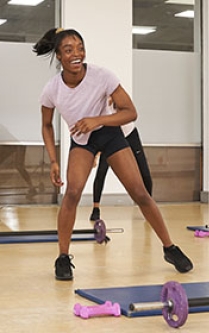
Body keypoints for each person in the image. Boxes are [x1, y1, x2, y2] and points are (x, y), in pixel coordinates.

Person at [33, 27, 193, 280]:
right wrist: (53, 160)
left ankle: (169, 248)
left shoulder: (102, 76)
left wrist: (97, 120)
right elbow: (45, 125)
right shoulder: (52, 89)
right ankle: (63, 258)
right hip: (82, 141)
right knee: (72, 192)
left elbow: (130, 111)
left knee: (140, 193)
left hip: (109, 134)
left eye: (80, 48)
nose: (77, 54)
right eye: (69, 50)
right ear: (59, 56)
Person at [89, 100, 153, 222]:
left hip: (130, 134)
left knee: (144, 173)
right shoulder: (99, 106)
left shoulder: (119, 100)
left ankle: (149, 208)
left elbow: (129, 114)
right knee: (101, 172)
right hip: (112, 138)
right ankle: (95, 209)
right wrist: (95, 155)